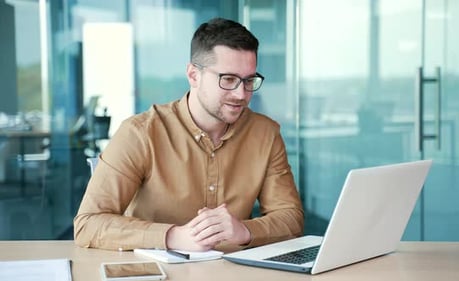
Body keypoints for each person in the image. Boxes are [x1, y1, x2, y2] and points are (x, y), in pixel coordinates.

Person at [73, 17, 304, 252]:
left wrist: (244, 231)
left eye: (248, 81)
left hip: (234, 272)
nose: (241, 94)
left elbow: (290, 218)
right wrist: (173, 237)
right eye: (229, 79)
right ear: (193, 75)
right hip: (155, 272)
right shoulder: (140, 133)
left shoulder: (266, 133)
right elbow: (88, 224)